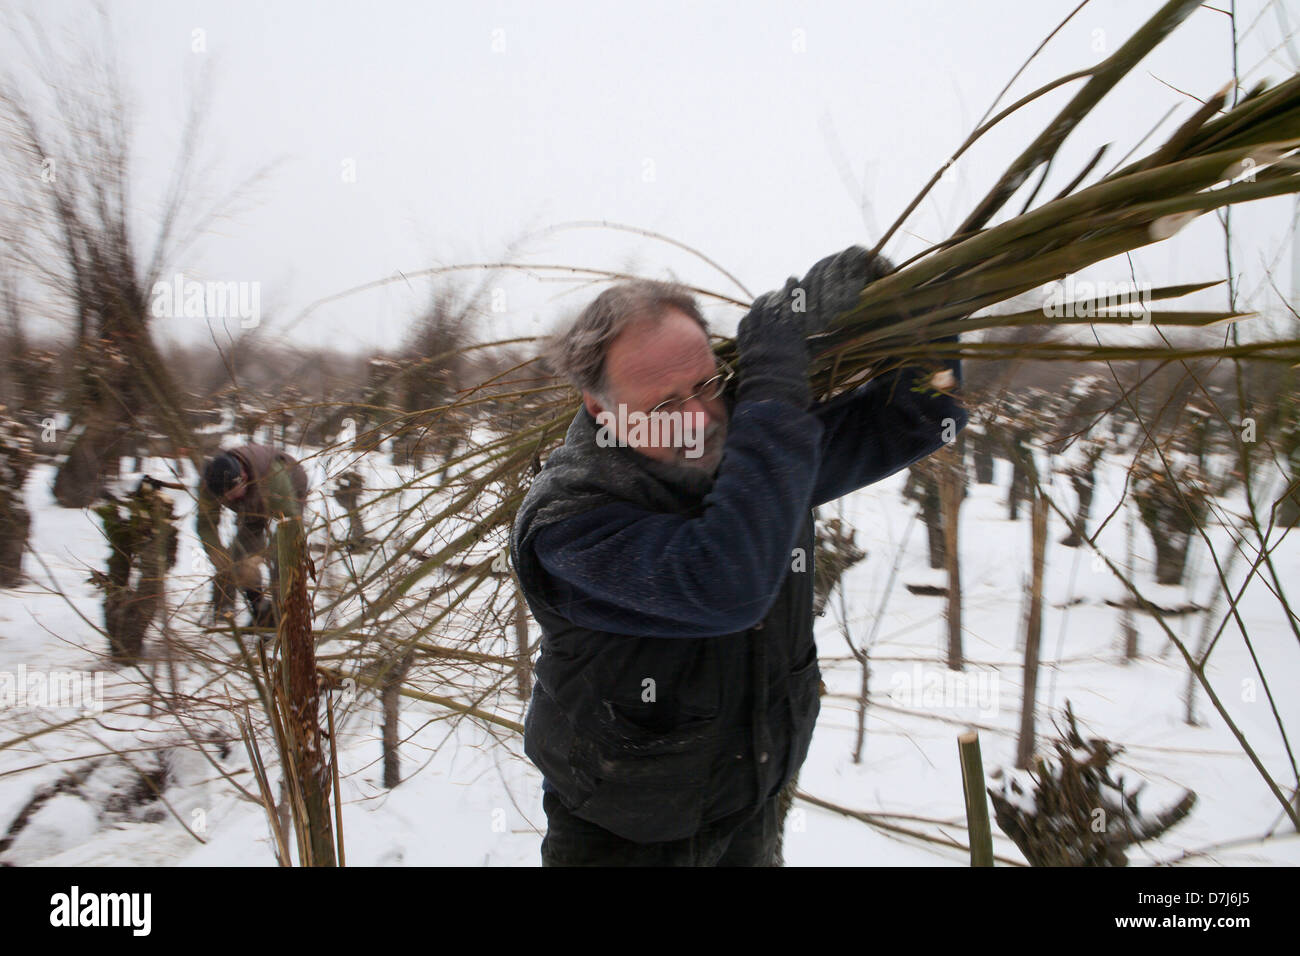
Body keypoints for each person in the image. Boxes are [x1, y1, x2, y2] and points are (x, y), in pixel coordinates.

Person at [510, 245, 969, 866]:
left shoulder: (749, 450)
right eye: (665, 405)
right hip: (623, 828)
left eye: (707, 384)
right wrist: (776, 383)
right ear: (599, 409)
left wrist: (919, 314)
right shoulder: (569, 521)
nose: (698, 418)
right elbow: (726, 585)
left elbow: (925, 414)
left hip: (749, 797)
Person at [197, 443, 309, 627]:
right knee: (238, 559)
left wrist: (259, 557)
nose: (229, 500)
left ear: (243, 477)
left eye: (232, 493)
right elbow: (204, 523)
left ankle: (281, 618)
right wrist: (215, 551)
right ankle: (257, 611)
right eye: (224, 498)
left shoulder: (274, 479)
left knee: (283, 558)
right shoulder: (212, 482)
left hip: (288, 489)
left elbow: (291, 522)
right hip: (252, 501)